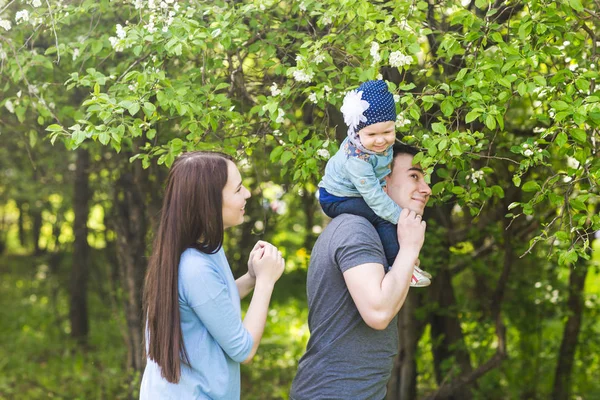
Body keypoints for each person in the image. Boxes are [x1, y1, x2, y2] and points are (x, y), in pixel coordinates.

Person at [140, 151, 285, 399]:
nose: (248, 194)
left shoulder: (203, 247)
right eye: (238, 189)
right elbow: (243, 349)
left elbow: (212, 304)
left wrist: (251, 277)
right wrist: (265, 282)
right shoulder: (194, 266)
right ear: (209, 201)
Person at [290, 143, 431, 399]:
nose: (426, 189)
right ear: (380, 181)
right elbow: (378, 313)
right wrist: (410, 249)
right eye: (414, 176)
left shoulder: (375, 234)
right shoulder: (356, 229)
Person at [318, 79, 431, 286]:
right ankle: (399, 266)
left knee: (384, 213)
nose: (381, 140)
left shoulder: (375, 145)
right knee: (383, 218)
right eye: (371, 134)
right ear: (357, 132)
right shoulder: (357, 161)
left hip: (356, 190)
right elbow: (374, 198)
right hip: (335, 198)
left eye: (387, 132)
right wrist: (401, 217)